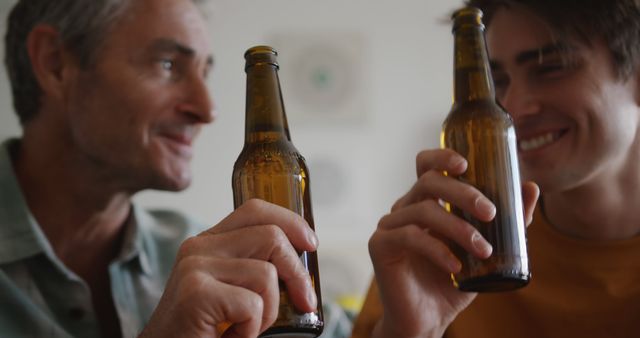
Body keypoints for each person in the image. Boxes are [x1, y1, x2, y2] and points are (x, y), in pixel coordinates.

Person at [0, 0, 321, 337]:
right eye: (168, 64)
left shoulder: (203, 251)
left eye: (204, 73)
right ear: (55, 64)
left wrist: (384, 312)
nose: (207, 110)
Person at [352, 0, 640, 337]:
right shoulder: (448, 246)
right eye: (496, 80)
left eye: (550, 68)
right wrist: (413, 331)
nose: (513, 107)